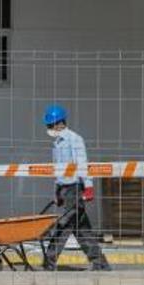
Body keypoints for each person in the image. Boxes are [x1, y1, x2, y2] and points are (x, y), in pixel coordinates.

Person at [42, 104, 111, 271]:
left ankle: (49, 261)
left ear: (59, 123)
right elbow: (58, 169)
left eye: (50, 125)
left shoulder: (74, 139)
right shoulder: (57, 143)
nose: (49, 129)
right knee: (81, 228)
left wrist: (88, 186)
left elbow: (82, 164)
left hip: (74, 188)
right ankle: (100, 263)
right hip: (64, 189)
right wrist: (57, 191)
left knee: (65, 225)